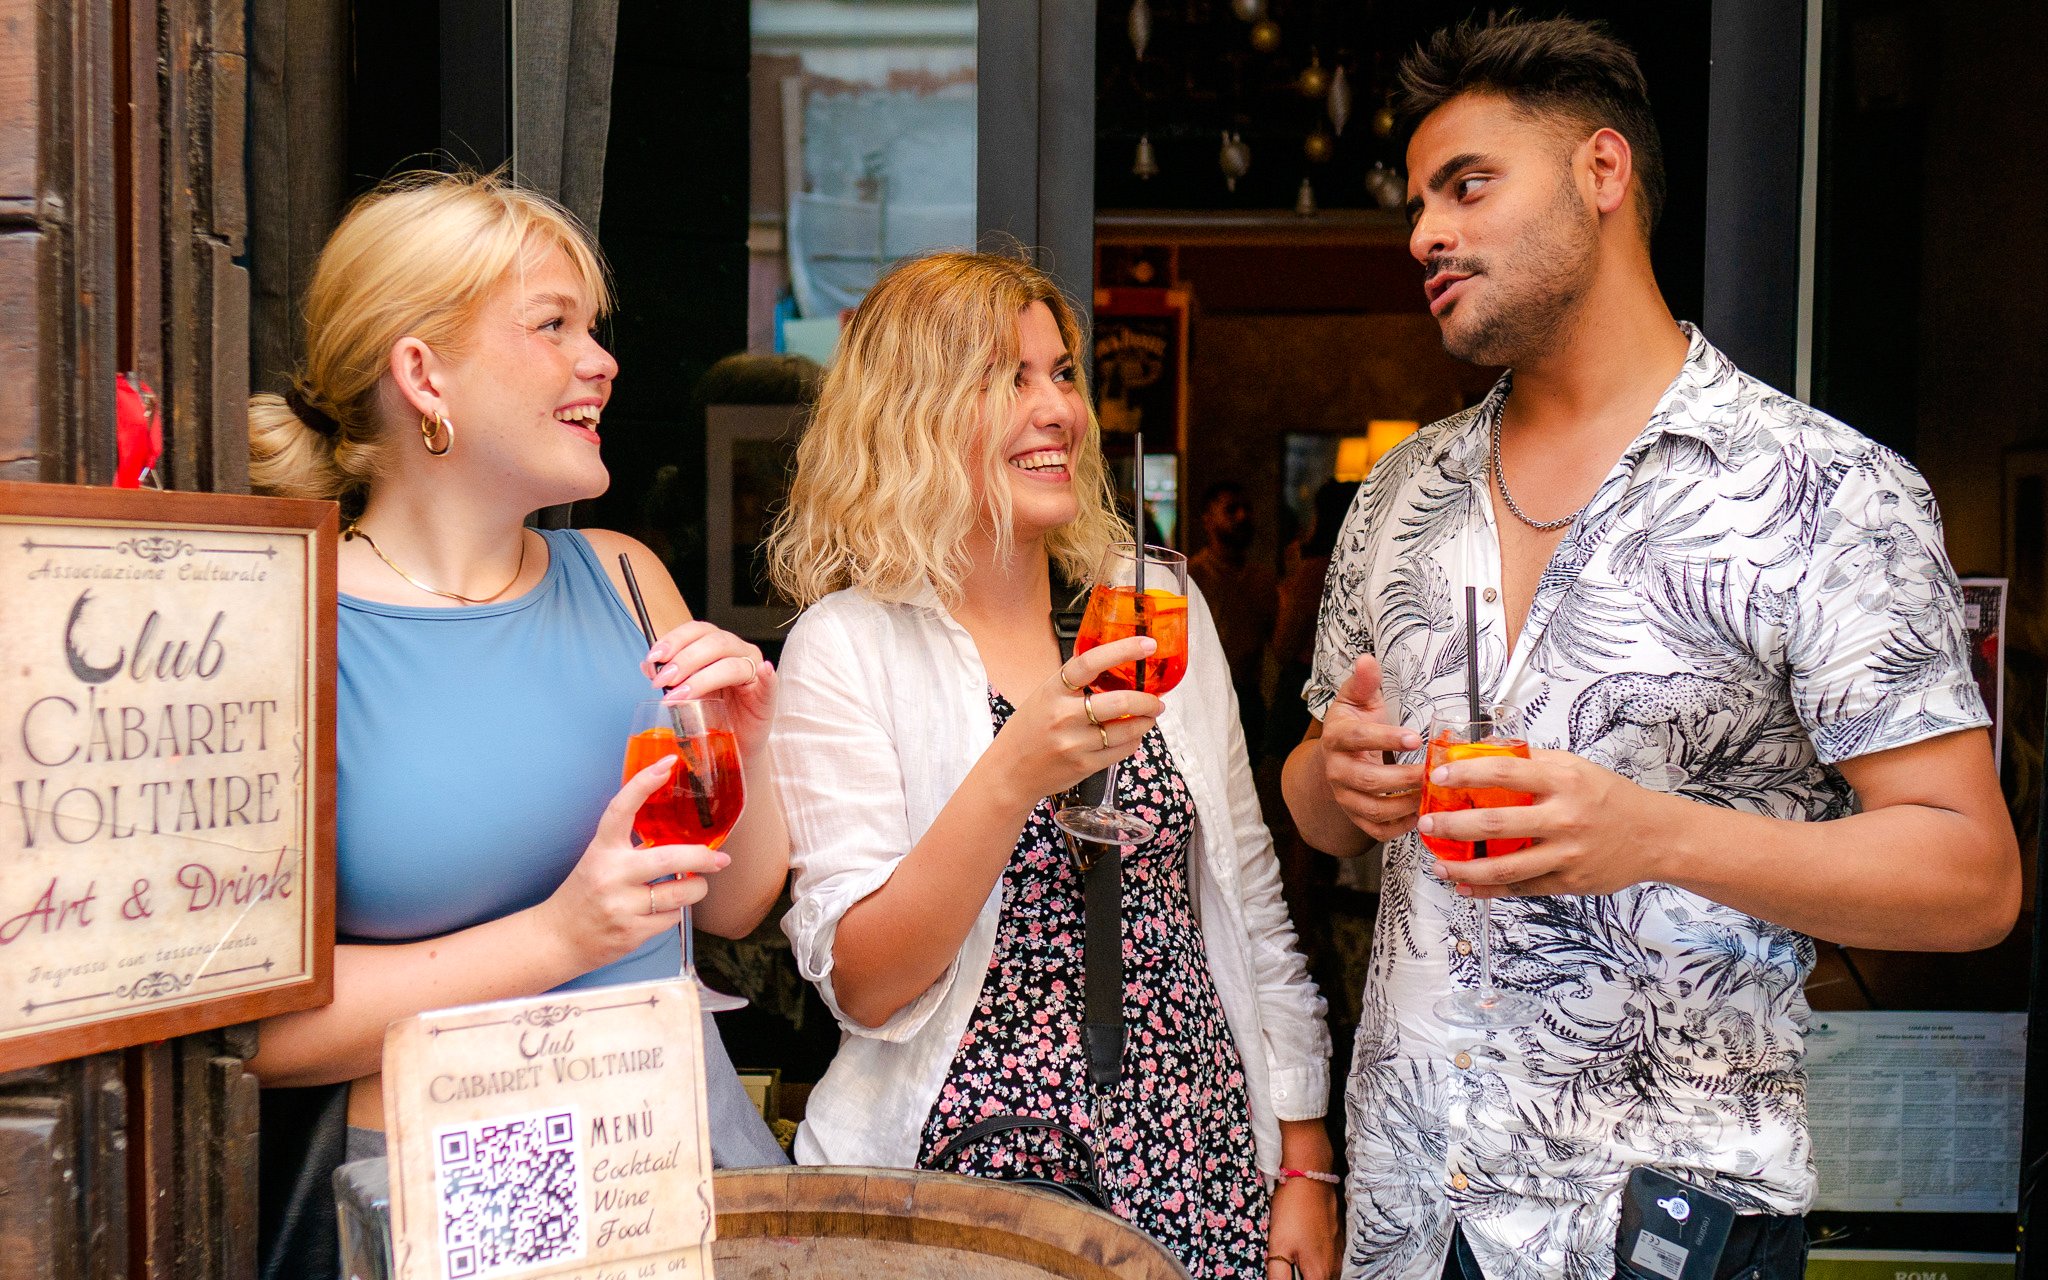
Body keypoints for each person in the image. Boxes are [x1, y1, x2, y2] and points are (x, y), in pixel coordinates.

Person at [1278, 17, 2020, 1280]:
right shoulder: (1397, 495)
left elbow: (1971, 878)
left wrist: (1656, 835)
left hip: (1656, 1226)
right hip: (1411, 1210)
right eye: (1414, 204)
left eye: (1465, 185)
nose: (1422, 235)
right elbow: (1315, 810)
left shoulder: (1826, 491)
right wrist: (1338, 778)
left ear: (1601, 173)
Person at [245, 172, 790, 1277]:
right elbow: (262, 1038)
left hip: (671, 1150)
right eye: (552, 325)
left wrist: (751, 739)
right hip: (443, 1193)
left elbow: (736, 897)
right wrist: (556, 936)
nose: (600, 360)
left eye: (593, 328)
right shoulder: (291, 626)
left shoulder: (626, 577)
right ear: (422, 371)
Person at [764, 251, 1338, 1280]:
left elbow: (1248, 900)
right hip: (972, 1178)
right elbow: (866, 979)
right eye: (1007, 377)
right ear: (913, 410)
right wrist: (1008, 772)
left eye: (1061, 373)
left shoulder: (1153, 607)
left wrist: (1299, 1155)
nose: (1056, 410)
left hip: (1196, 1154)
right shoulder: (846, 644)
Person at [1189, 480, 1281, 755]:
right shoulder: (1192, 576)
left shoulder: (1262, 578)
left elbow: (1278, 645)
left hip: (1250, 698)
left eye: (1246, 509)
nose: (1242, 516)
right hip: (1204, 697)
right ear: (1208, 519)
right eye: (1231, 509)